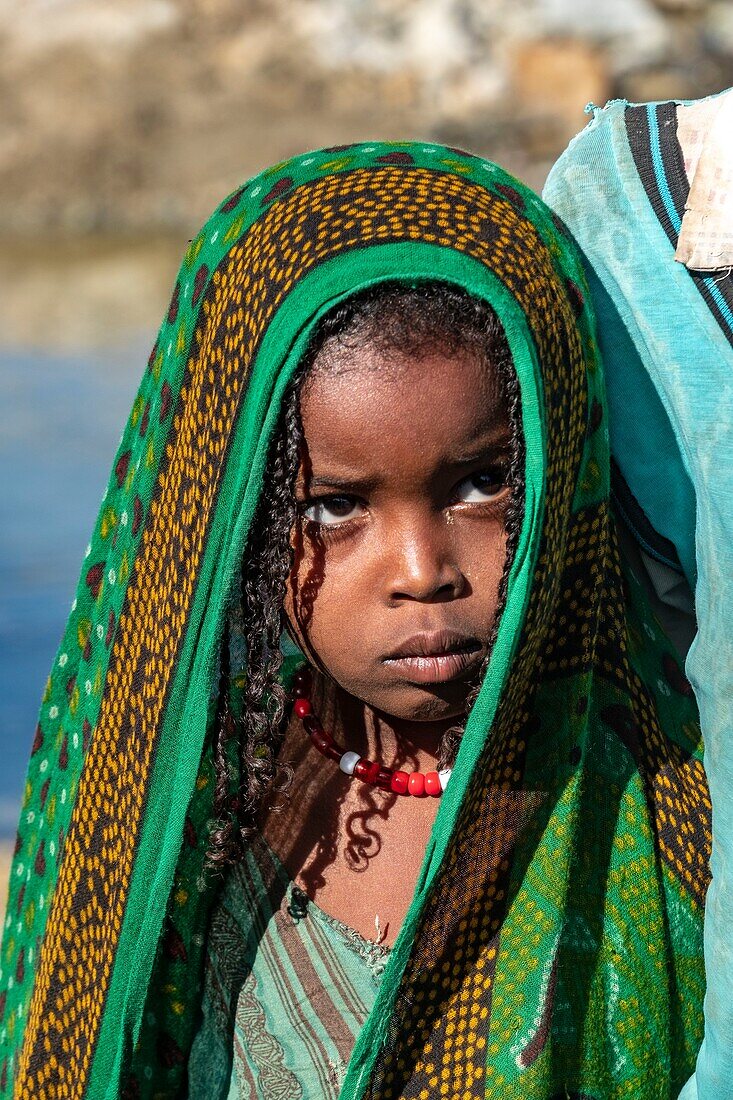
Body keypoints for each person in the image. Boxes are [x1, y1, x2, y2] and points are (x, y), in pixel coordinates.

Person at [0, 142, 710, 1100]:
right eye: (332, 507)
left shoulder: (668, 806)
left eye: (483, 483)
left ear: (561, 461)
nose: (422, 575)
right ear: (235, 514)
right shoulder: (167, 810)